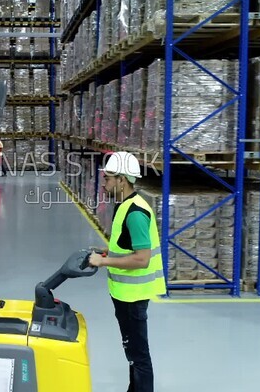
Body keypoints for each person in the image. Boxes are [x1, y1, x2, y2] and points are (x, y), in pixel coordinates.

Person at [88, 151, 166, 392]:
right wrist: (106, 251)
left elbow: (142, 259)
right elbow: (127, 246)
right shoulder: (124, 205)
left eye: (109, 177)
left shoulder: (135, 213)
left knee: (138, 356)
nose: (104, 181)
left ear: (122, 179)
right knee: (132, 352)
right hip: (124, 295)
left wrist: (103, 263)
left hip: (133, 296)